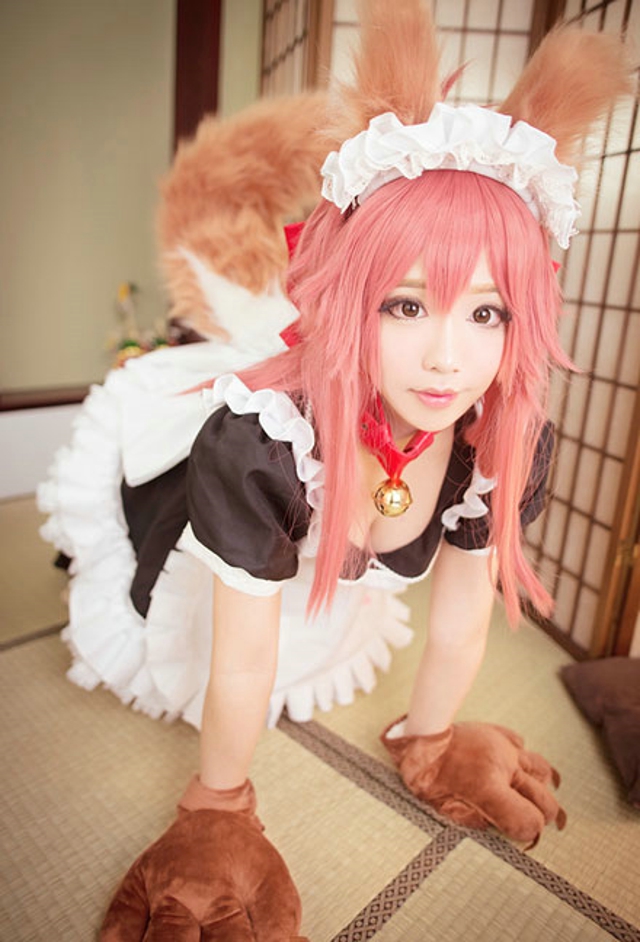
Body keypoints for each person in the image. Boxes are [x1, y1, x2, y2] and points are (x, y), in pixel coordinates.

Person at [38, 1, 633, 937]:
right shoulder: (261, 443)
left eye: (487, 313)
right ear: (353, 299)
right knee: (158, 590)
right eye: (407, 305)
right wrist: (217, 802)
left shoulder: (499, 437)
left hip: (314, 588)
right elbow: (240, 653)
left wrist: (431, 738)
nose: (448, 360)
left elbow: (465, 612)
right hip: (205, 559)